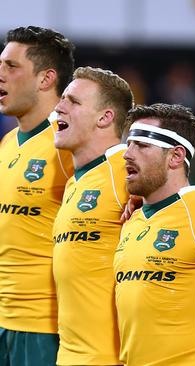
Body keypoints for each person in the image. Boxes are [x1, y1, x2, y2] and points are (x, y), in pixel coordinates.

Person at [115, 103, 195, 365]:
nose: (127, 154)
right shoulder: (132, 220)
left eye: (142, 145)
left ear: (176, 157)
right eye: (129, 143)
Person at [0, 26, 75, 365]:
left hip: (43, 328)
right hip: (3, 319)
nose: (1, 75)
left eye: (11, 67)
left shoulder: (70, 146)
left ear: (46, 79)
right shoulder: (8, 143)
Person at [51, 66, 133, 365]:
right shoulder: (77, 180)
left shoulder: (128, 172)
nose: (59, 106)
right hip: (69, 356)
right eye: (62, 99)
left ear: (105, 117)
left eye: (73, 101)